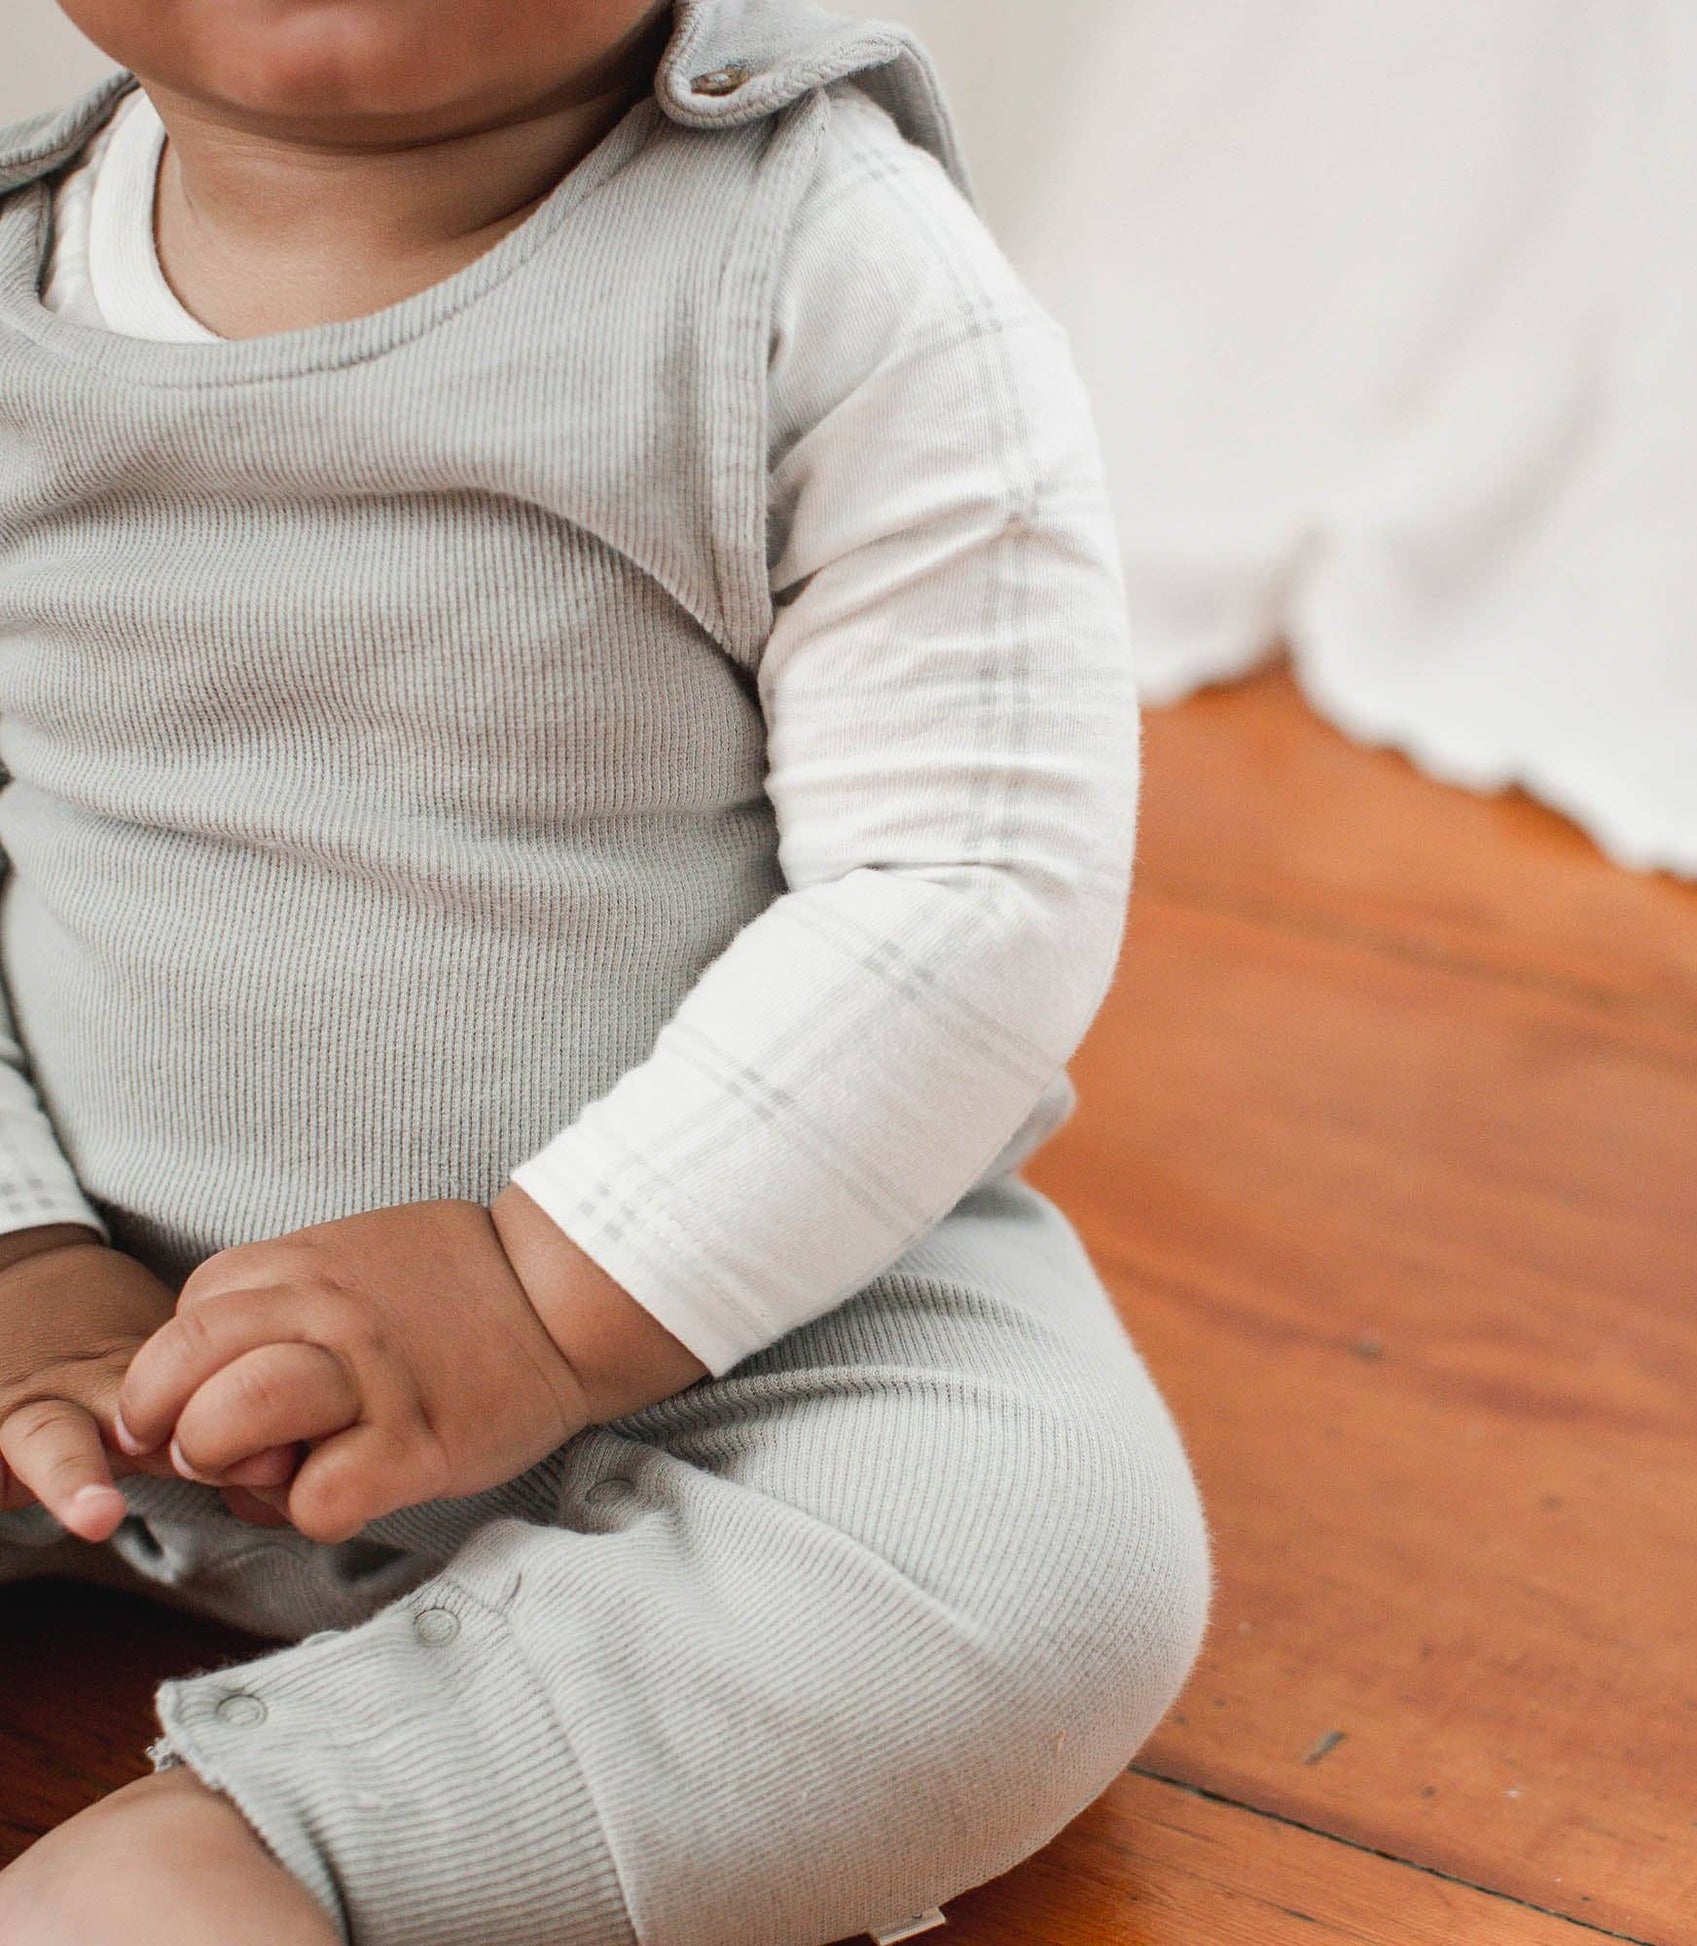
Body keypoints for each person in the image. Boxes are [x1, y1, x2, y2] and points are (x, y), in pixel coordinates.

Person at [0, 2, 1211, 1941]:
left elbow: (966, 880)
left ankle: (302, 1844)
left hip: (724, 1333)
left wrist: (548, 1295)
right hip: (81, 1349)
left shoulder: (821, 266)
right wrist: (21, 1240)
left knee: (1040, 1569)